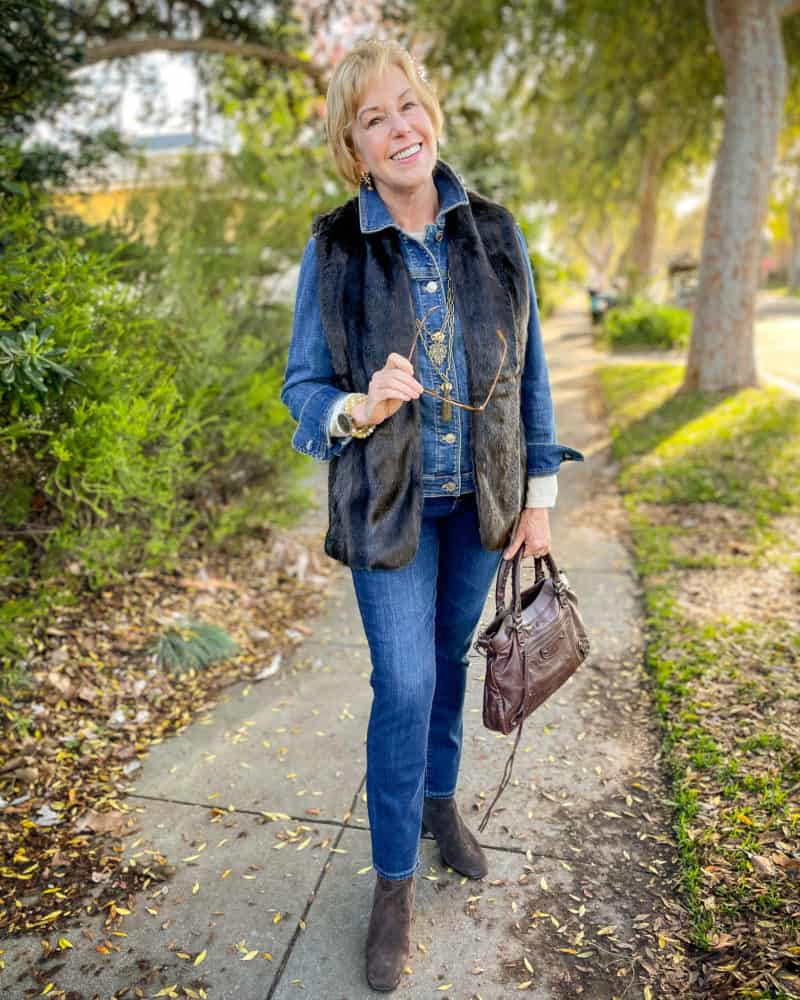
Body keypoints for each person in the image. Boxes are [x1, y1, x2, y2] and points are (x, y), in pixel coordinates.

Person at [280, 38, 583, 993]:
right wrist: (358, 408)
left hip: (482, 504)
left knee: (449, 665)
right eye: (374, 117)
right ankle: (393, 885)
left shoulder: (495, 231)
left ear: (430, 116)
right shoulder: (333, 247)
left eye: (406, 106)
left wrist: (539, 499)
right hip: (390, 509)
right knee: (405, 684)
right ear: (354, 147)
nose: (398, 127)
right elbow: (301, 388)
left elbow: (531, 373)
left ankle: (441, 804)